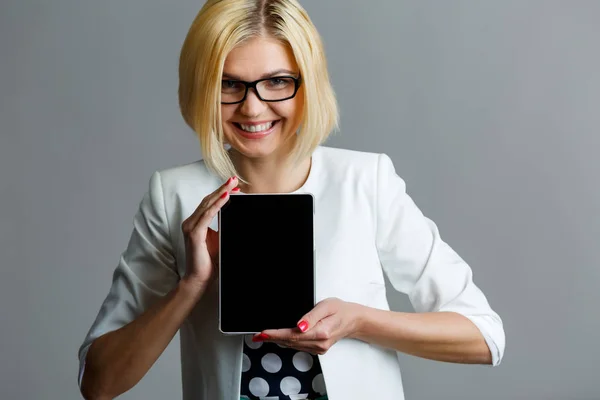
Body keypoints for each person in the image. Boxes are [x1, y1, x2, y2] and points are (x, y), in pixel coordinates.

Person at [77, 0, 505, 399]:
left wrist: (359, 321)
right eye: (229, 84)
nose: (252, 108)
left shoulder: (364, 181)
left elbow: (485, 337)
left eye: (277, 82)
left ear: (307, 84)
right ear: (203, 87)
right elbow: (98, 383)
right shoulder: (175, 195)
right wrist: (191, 284)